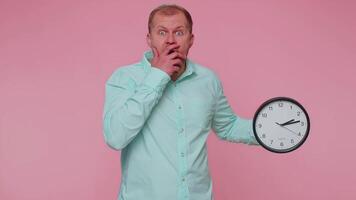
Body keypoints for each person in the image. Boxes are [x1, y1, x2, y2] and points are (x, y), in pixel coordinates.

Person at [102, 4, 260, 200]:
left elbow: (228, 126)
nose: (170, 41)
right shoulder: (124, 77)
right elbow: (115, 136)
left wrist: (269, 131)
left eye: (179, 32)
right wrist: (157, 75)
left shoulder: (207, 79)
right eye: (161, 32)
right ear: (149, 38)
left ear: (191, 39)